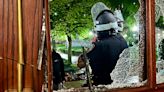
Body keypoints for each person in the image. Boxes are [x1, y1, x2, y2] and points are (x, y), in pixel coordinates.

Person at [77, 2, 128, 86]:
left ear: (99, 27)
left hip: (103, 85)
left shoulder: (97, 46)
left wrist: (87, 50)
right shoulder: (122, 40)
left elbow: (80, 64)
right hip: (121, 83)